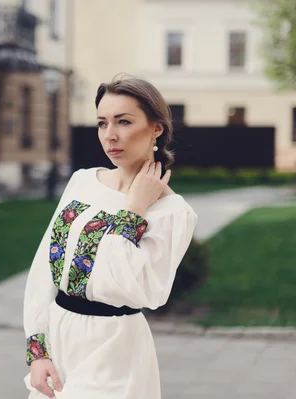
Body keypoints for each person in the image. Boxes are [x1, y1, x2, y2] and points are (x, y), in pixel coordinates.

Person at [22, 75, 198, 399]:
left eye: (124, 121)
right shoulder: (83, 182)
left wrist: (133, 210)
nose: (110, 135)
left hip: (113, 348)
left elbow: (137, 287)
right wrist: (38, 350)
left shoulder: (172, 213)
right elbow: (45, 266)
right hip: (60, 339)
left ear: (156, 127)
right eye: (102, 123)